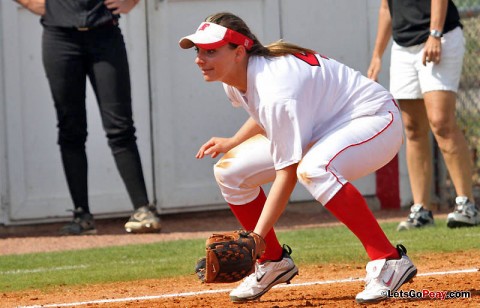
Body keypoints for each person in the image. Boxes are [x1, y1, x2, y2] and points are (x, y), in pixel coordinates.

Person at [179, 12, 417, 304]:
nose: (199, 58)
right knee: (230, 173)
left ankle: (389, 259)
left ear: (239, 52)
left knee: (315, 169)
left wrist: (256, 236)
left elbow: (287, 171)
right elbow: (266, 114)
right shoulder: (235, 77)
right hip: (325, 128)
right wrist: (234, 141)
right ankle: (272, 261)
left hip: (375, 119)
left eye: (210, 51)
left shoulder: (275, 87)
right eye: (198, 50)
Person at [14, 0, 161, 235]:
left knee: (120, 127)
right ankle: (82, 216)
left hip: (105, 35)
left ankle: (143, 210)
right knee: (70, 128)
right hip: (59, 37)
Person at [368, 0, 480, 231]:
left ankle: (466, 204)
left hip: (439, 37)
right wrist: (377, 55)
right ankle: (421, 209)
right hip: (403, 46)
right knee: (412, 128)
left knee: (441, 122)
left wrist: (435, 34)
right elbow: (386, 8)